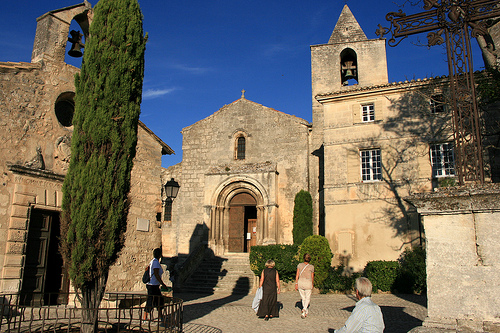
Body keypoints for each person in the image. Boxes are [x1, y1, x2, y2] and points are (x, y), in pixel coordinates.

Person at [144, 248, 168, 322]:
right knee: (151, 300)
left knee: (158, 300)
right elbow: (156, 274)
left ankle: (160, 316)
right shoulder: (155, 262)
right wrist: (163, 284)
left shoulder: (153, 261)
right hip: (153, 285)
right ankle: (145, 317)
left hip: (153, 285)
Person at [295, 253, 314, 318]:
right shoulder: (311, 267)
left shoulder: (299, 265)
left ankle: (305, 312)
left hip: (301, 282)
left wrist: (296, 283)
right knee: (307, 297)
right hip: (308, 282)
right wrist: (312, 283)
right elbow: (312, 277)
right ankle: (305, 309)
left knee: (303, 298)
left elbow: (297, 275)